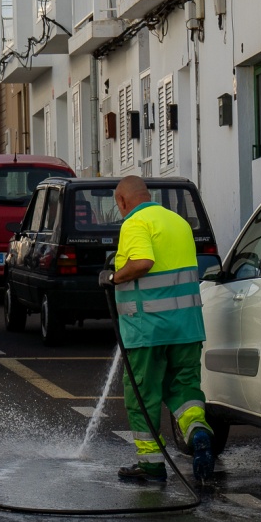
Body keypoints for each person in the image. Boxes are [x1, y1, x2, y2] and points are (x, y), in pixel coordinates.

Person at [98, 175, 214, 483]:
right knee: (185, 390)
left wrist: (112, 278)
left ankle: (150, 464)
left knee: (142, 396)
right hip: (187, 329)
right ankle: (198, 432)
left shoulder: (135, 223)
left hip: (147, 331)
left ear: (122, 201)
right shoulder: (178, 223)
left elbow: (142, 262)